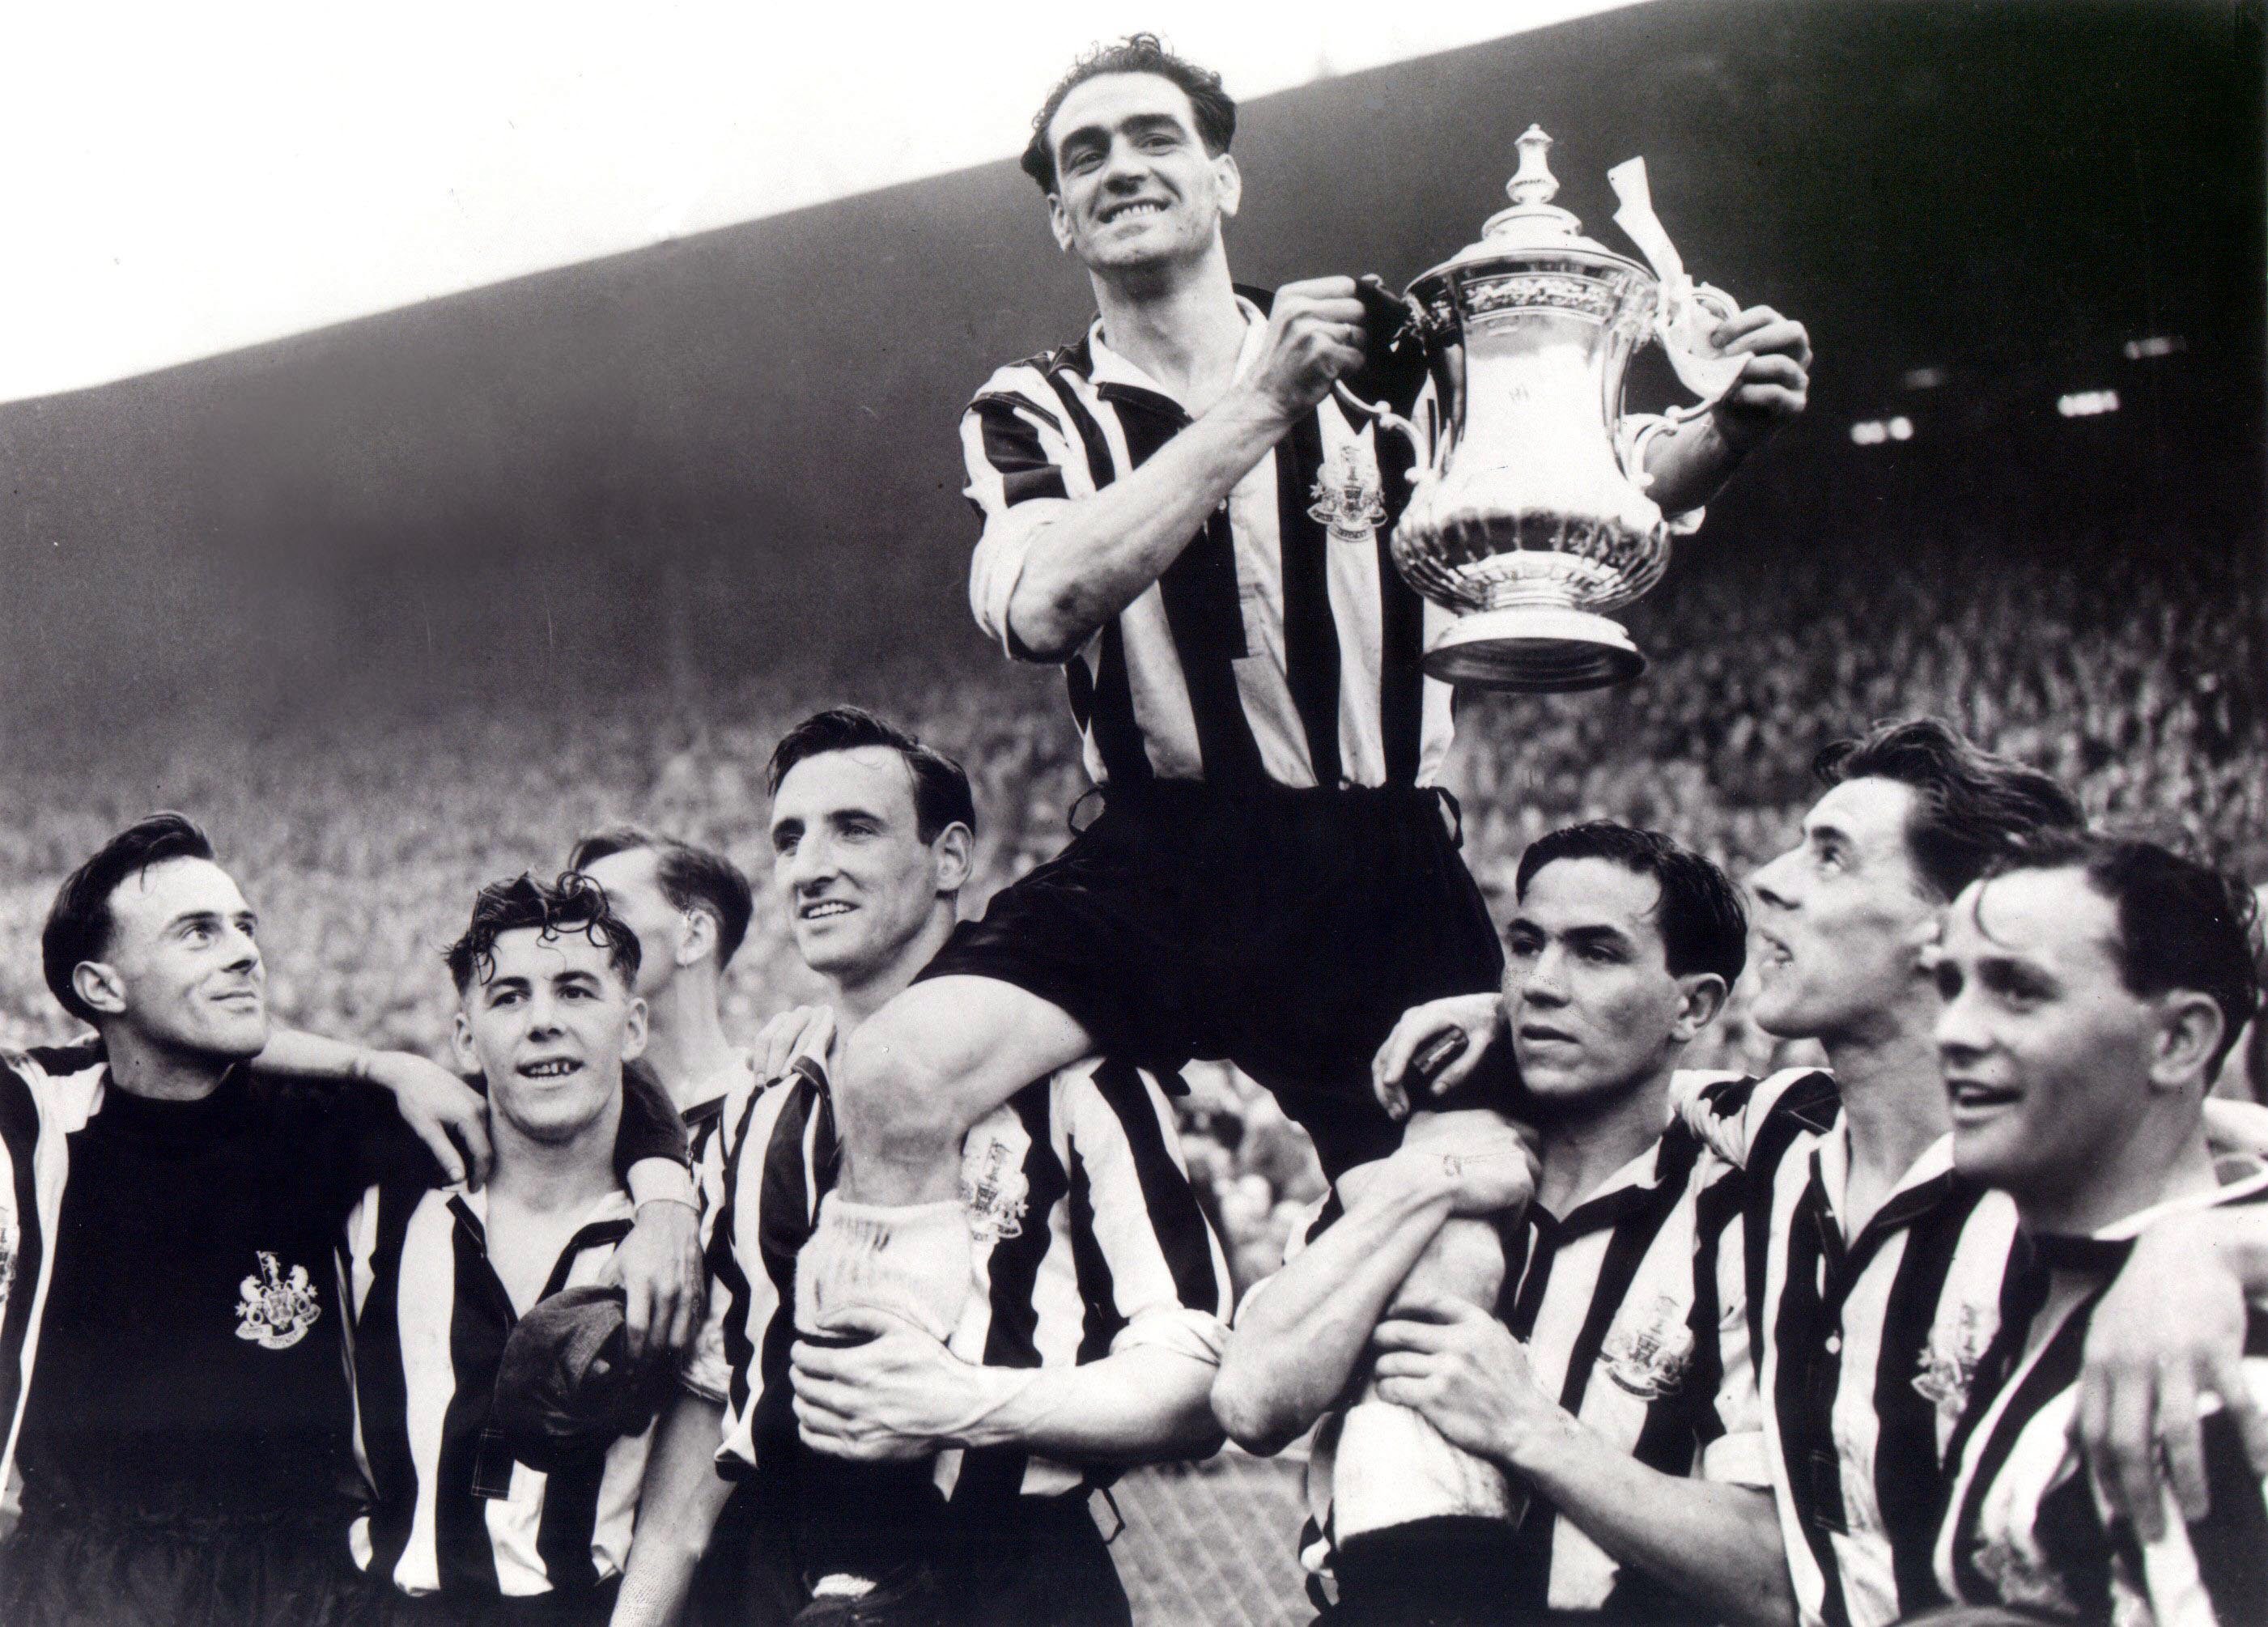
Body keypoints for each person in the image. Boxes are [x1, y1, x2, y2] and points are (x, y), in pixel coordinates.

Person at [799, 24, 1812, 1546]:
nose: (1121, 167)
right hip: (1159, 851)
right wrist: (1260, 405)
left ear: (1223, 175)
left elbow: (1561, 497)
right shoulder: (1032, 407)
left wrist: (1719, 431)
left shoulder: (1391, 366)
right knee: (890, 1077)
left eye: (1152, 138)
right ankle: (893, 1522)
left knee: (1463, 1216)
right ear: (1062, 221)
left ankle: (1403, 1539)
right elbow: (1041, 604)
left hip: (1372, 858)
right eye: (1084, 158)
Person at [0, 816, 699, 1627]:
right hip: (85, 1579)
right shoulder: (41, 1118)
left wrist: (666, 1197)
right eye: (199, 932)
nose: (242, 950)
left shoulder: (336, 1129)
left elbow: (576, 1079)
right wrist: (371, 1057)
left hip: (298, 1580)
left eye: (244, 926)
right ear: (101, 988)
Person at [614, 708, 1230, 1627]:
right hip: (780, 1569)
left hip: (1004, 1571)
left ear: (949, 859)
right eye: (789, 838)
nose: (810, 866)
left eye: (853, 828)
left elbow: (1194, 1374)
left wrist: (971, 1404)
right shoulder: (761, 1104)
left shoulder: (1079, 1082)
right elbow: (714, 1400)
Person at [1216, 823, 1794, 1625]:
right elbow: (1251, 1406)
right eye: (1525, 946)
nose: (1541, 984)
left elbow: (1770, 1576)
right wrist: (1429, 1180)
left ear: (1693, 1006)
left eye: (1596, 953)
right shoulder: (1418, 1176)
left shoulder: (1740, 1223)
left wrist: (1528, 1430)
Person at [1929, 835, 2266, 1624]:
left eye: (2019, 991)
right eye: (1952, 986)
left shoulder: (2205, 1374)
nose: (1952, 1032)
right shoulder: (2065, 1274)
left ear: (2178, 1040)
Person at [343, 872, 685, 1625]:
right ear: (465, 1039)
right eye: (509, 997)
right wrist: (377, 1065)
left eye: (575, 991)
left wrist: (667, 1197)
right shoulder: (385, 1203)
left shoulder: (679, 1233)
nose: (543, 1022)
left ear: (632, 1027)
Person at [568, 827, 759, 1159]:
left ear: (693, 937)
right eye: (574, 916)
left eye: (604, 912)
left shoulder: (783, 1104)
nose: (572, 937)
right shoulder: (568, 1117)